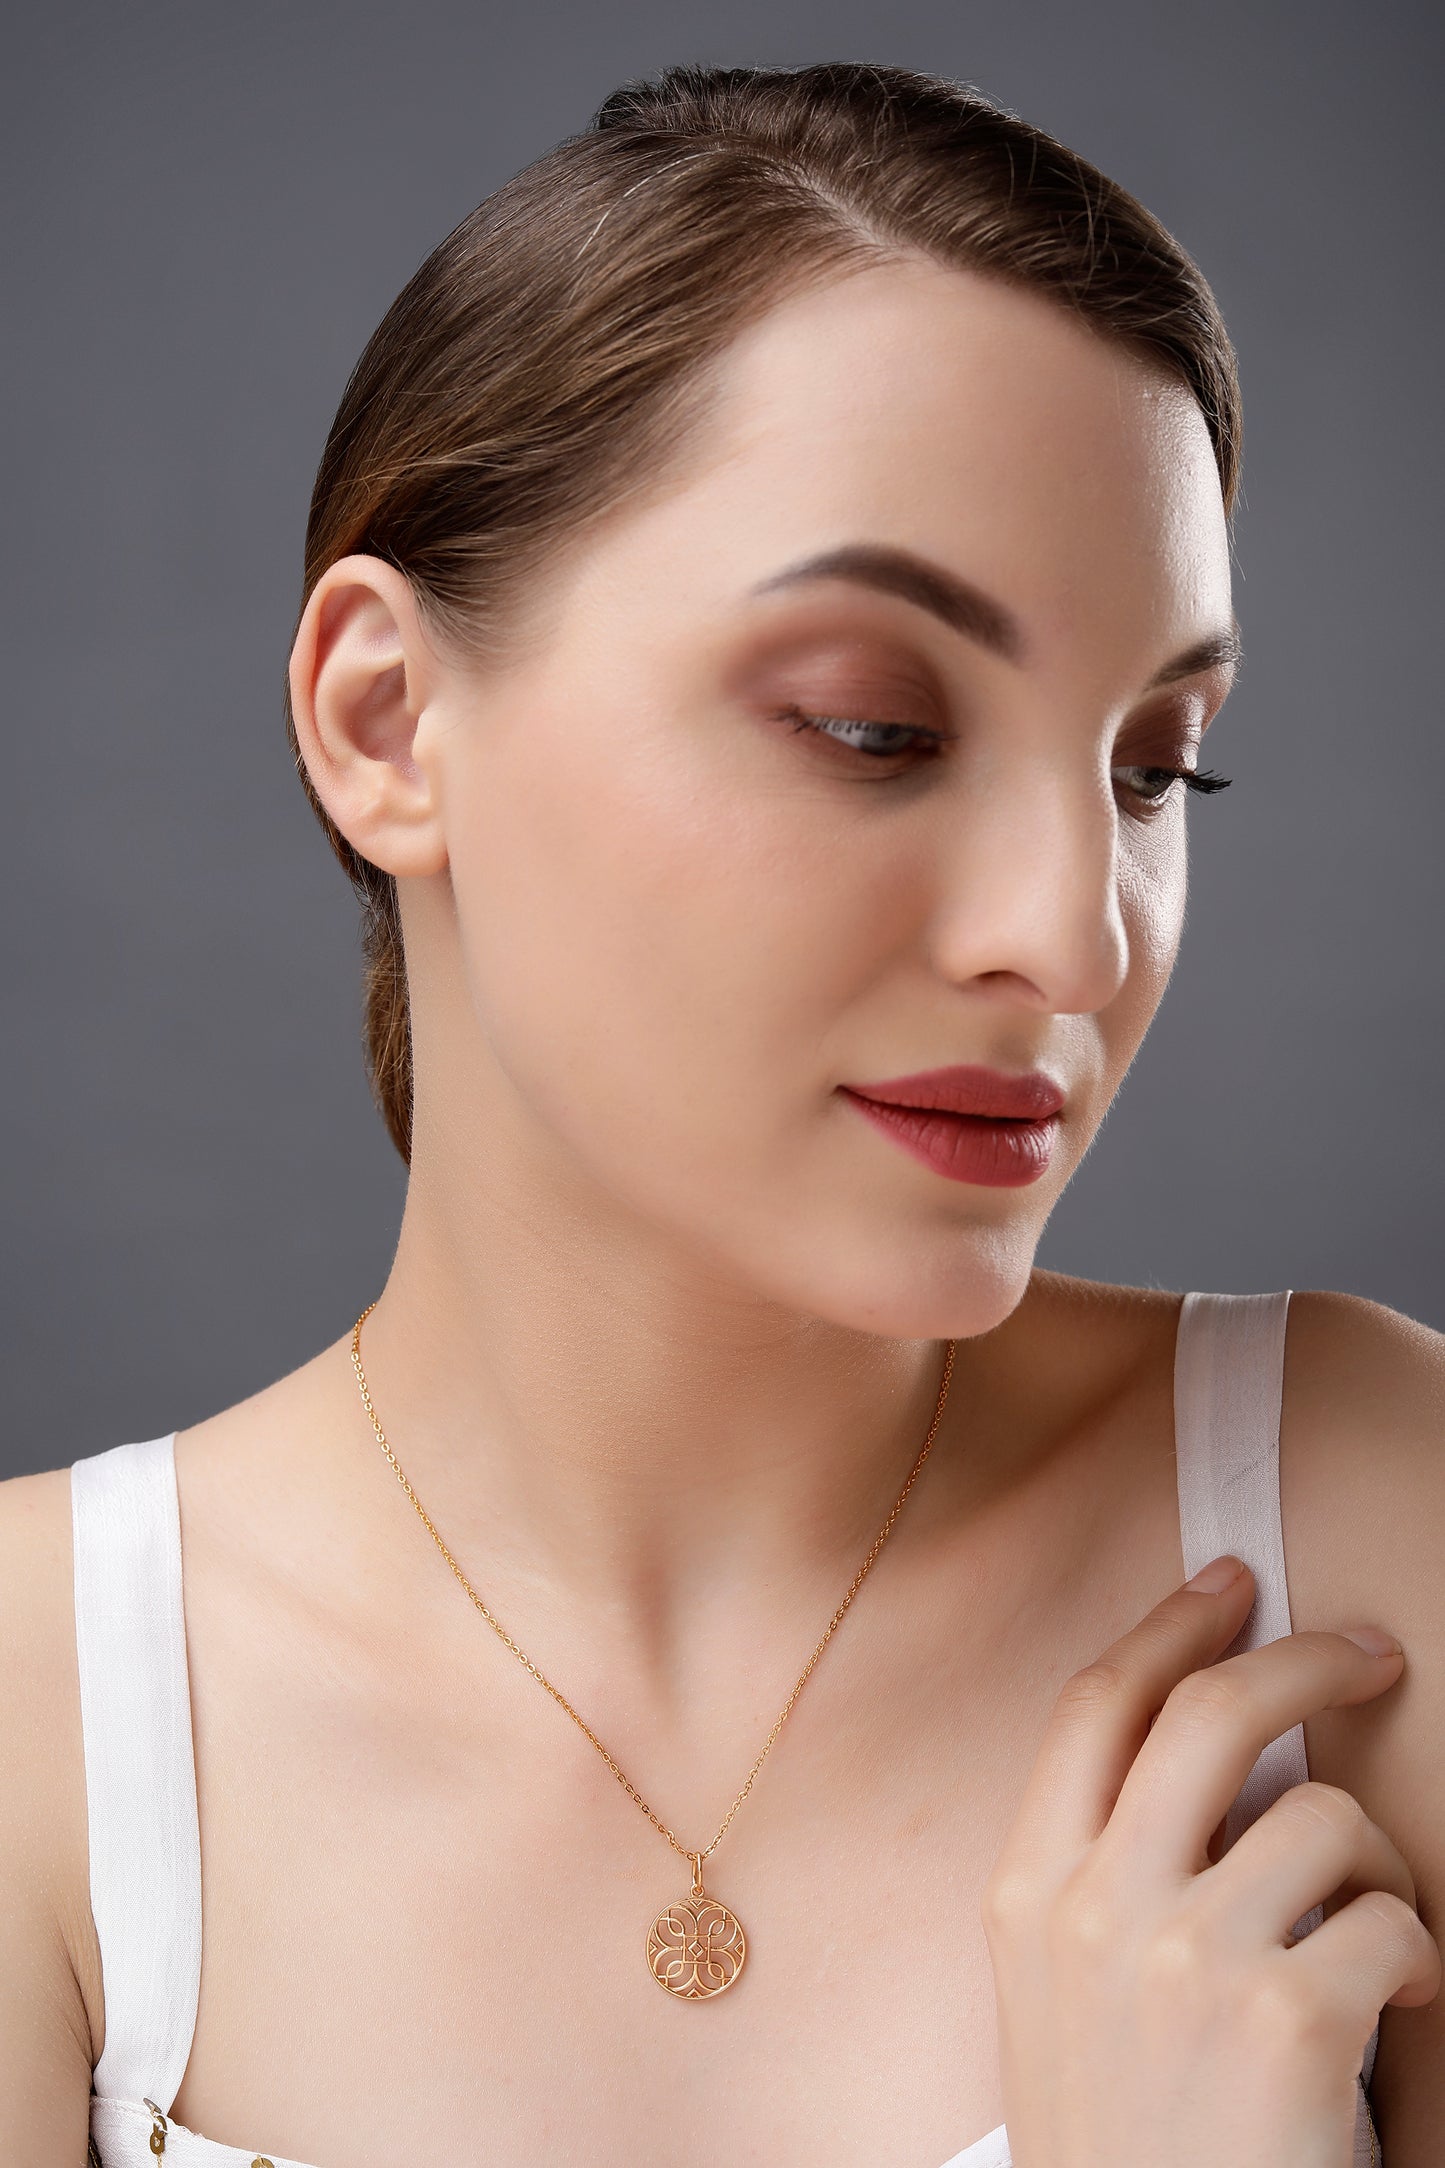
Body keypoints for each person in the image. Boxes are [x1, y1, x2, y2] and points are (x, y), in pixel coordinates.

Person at [2, 59, 1440, 2168]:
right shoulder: (41, 1720)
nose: (1072, 931)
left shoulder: (1369, 1543)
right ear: (388, 721)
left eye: (1155, 766)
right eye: (875, 724)